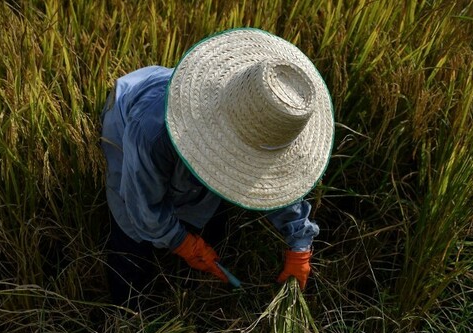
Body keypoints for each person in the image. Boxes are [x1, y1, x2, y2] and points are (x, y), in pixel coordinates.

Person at [100, 28, 334, 308]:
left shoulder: (268, 122)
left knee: (210, 213)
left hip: (183, 132)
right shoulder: (152, 132)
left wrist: (299, 243)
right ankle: (128, 311)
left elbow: (273, 180)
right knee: (132, 239)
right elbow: (141, 205)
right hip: (128, 117)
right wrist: (182, 242)